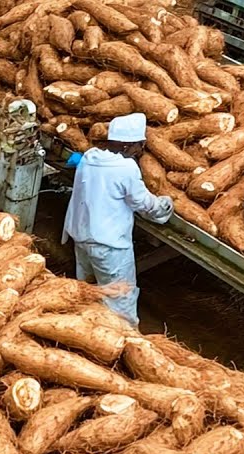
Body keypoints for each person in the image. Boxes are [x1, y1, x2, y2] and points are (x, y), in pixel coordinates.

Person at [61, 113, 173, 328]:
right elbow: (144, 204)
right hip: (109, 247)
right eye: (140, 146)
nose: (140, 152)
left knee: (88, 291)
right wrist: (165, 204)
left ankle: (84, 330)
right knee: (120, 299)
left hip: (81, 238)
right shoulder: (126, 168)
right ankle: (124, 341)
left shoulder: (90, 157)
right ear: (131, 146)